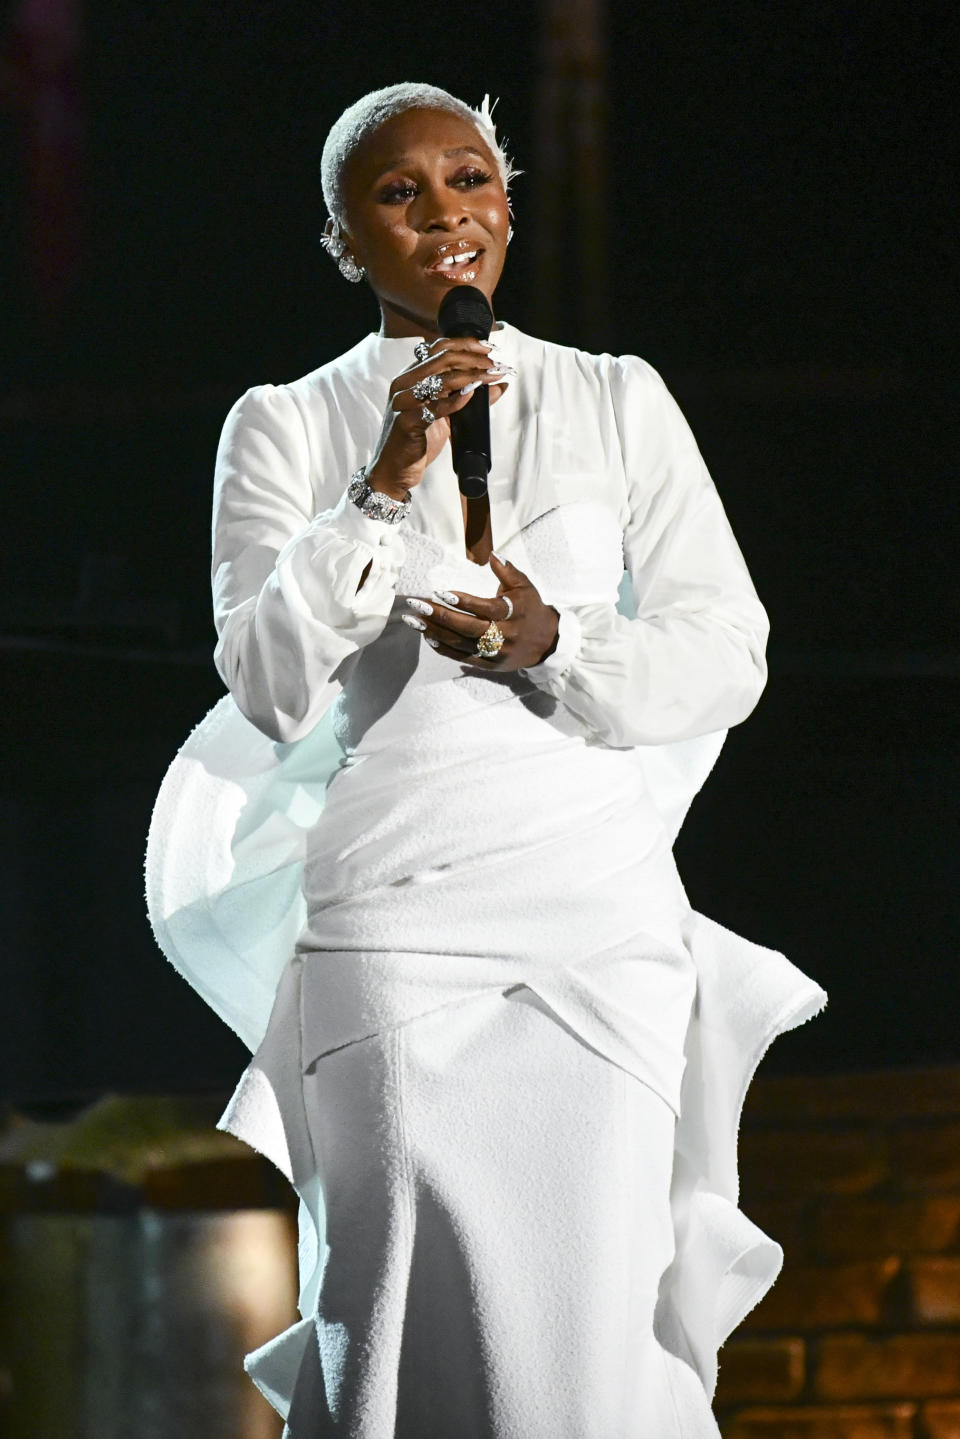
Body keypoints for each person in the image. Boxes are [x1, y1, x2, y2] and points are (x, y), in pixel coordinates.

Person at [145, 82, 826, 1438]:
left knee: (592, 1304)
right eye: (402, 194)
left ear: (507, 202)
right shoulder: (282, 422)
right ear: (347, 239)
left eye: (472, 180)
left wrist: (552, 638)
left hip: (593, 909)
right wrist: (387, 473)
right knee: (396, 1279)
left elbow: (725, 653)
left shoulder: (615, 398)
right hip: (393, 915)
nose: (448, 215)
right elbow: (271, 684)